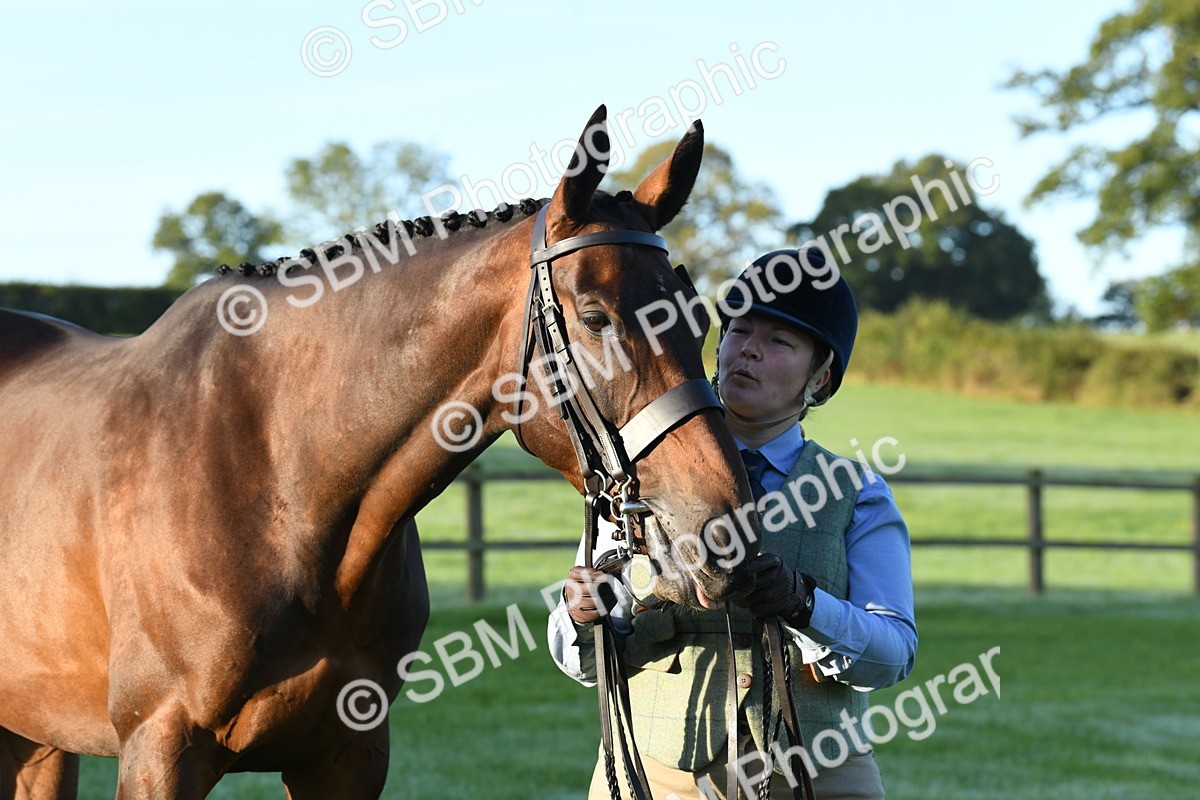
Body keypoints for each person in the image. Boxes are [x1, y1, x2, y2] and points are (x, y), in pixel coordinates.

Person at [548, 248, 917, 799]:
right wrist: (582, 616)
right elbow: (582, 662)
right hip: (655, 774)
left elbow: (891, 655)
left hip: (818, 776)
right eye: (739, 331)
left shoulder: (859, 493)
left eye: (780, 341)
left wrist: (805, 606)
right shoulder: (634, 479)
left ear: (820, 379)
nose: (749, 350)